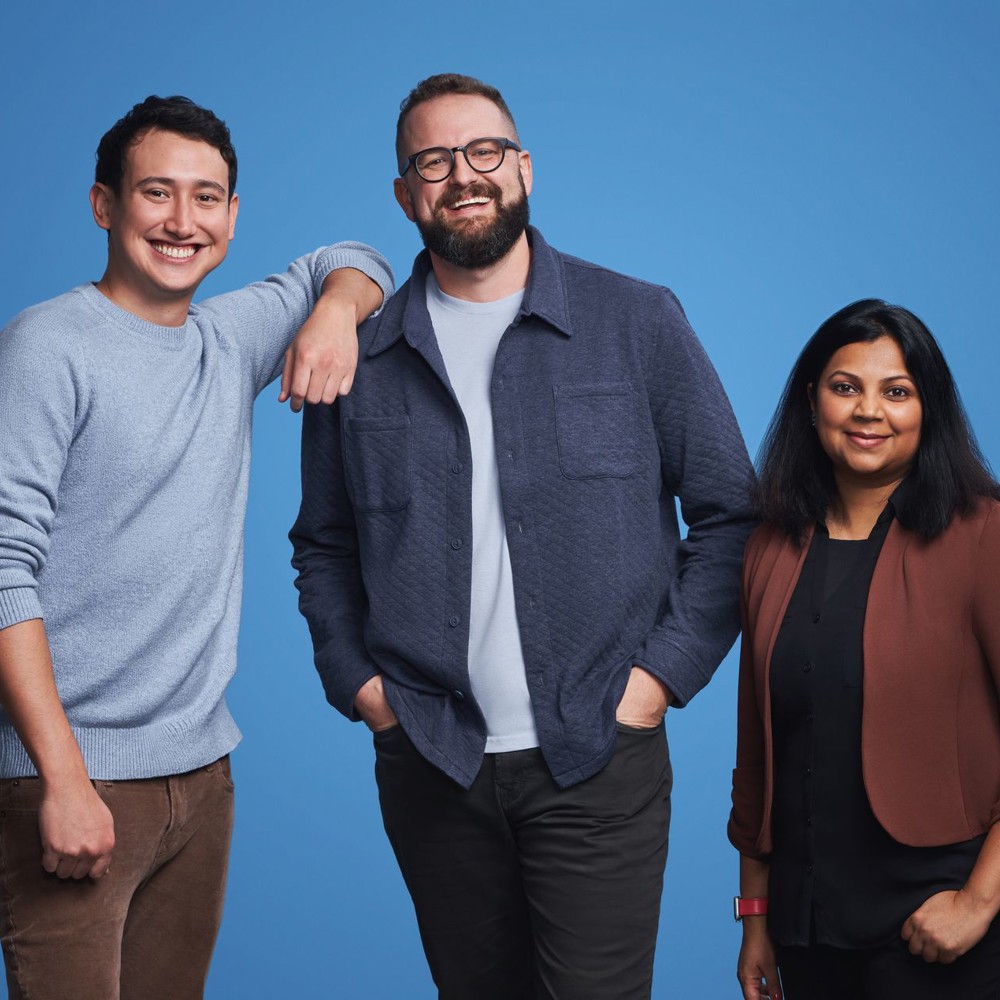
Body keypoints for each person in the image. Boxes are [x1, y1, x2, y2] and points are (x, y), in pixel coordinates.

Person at [291, 72, 754, 999]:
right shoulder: (359, 355)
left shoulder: (636, 320)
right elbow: (325, 544)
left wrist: (657, 682)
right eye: (433, 160)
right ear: (404, 193)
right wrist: (364, 687)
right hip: (431, 763)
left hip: (598, 758)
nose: (464, 175)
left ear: (524, 168)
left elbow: (732, 514)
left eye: (485, 151)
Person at [0, 95, 393, 1000]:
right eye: (157, 194)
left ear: (232, 215)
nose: (183, 222)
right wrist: (61, 779)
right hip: (73, 780)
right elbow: (5, 570)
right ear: (105, 205)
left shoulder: (227, 338)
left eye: (207, 198)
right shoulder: (47, 346)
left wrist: (334, 313)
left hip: (201, 781)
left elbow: (356, 257)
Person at [729, 299, 1000, 1000]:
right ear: (813, 402)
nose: (868, 411)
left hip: (938, 919)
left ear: (928, 409)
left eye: (897, 391)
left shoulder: (982, 536)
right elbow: (761, 751)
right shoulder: (770, 546)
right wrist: (754, 918)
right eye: (845, 387)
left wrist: (977, 903)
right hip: (805, 920)